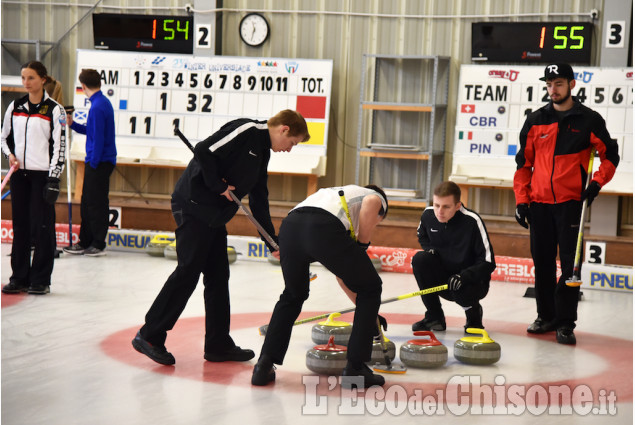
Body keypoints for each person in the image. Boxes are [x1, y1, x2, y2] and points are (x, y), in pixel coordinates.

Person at [132, 110, 310, 365]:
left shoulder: (262, 153)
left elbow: (259, 199)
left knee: (218, 277)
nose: (290, 149)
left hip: (214, 216)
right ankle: (149, 335)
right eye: (292, 143)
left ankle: (217, 345)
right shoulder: (246, 130)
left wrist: (271, 241)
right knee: (188, 272)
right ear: (283, 129)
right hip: (193, 206)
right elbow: (204, 150)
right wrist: (218, 186)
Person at [514, 63, 620, 345]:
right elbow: (523, 165)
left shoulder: (588, 119)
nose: (553, 89)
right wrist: (521, 201)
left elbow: (610, 155)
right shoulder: (535, 120)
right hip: (539, 204)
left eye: (559, 83)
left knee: (571, 266)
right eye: (549, 84)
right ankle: (545, 316)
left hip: (571, 204)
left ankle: (565, 322)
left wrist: (596, 183)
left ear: (572, 84)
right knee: (543, 264)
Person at [252, 184, 389, 388]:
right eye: (379, 221)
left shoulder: (335, 195)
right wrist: (361, 245)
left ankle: (263, 366)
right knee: (372, 287)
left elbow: (344, 278)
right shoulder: (374, 196)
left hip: (291, 226)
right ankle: (355, 369)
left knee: (293, 294)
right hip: (321, 227)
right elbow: (372, 203)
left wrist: (369, 316)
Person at [1, 61, 66, 295]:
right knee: (20, 227)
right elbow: (4, 137)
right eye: (23, 78)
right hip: (20, 176)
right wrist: (10, 155)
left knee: (43, 228)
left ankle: (40, 280)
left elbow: (60, 147)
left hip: (43, 177)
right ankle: (19, 277)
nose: (26, 83)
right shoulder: (15, 106)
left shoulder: (55, 110)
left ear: (43, 80)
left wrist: (54, 178)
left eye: (30, 78)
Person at [411, 181, 495, 333]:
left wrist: (464, 276)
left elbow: (488, 262)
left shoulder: (472, 221)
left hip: (470, 282)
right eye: (436, 205)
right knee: (420, 259)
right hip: (443, 277)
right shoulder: (428, 215)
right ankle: (434, 316)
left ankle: (474, 317)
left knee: (461, 287)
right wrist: (430, 249)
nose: (439, 212)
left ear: (458, 206)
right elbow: (421, 234)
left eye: (446, 206)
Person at [63, 69, 117, 257]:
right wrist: (72, 125)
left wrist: (93, 162)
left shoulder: (98, 106)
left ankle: (98, 243)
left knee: (96, 204)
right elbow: (92, 131)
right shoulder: (100, 103)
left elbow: (99, 138)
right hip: (98, 161)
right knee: (87, 203)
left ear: (83, 86)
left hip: (99, 162)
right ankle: (85, 241)